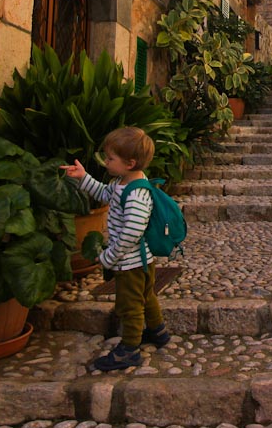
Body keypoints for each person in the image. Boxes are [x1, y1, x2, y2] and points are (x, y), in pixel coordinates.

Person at [61, 127, 171, 371]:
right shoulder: (122, 183)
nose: (106, 162)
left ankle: (129, 350)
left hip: (131, 262)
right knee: (146, 296)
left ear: (129, 163)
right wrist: (83, 177)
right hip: (137, 260)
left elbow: (132, 231)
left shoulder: (137, 193)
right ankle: (158, 332)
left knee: (129, 306)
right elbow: (103, 192)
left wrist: (109, 256)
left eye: (110, 158)